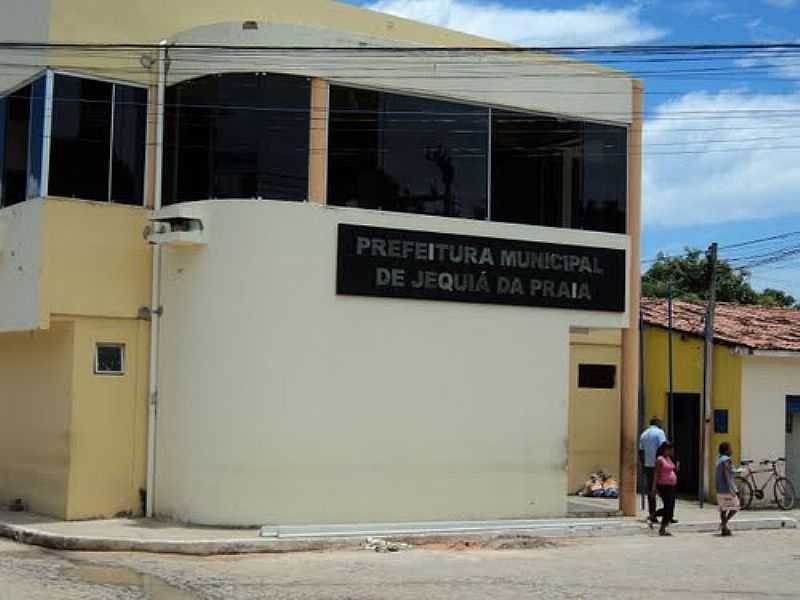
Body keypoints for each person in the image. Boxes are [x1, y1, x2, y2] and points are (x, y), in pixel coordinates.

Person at [640, 417, 667, 524]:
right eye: (660, 422)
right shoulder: (660, 432)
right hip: (659, 465)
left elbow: (641, 451)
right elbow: (663, 447)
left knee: (651, 491)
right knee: (666, 491)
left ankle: (652, 514)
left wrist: (643, 465)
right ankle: (667, 514)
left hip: (648, 466)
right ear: (657, 423)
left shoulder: (644, 434)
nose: (661, 424)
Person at [653, 441, 678, 536]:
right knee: (668, 507)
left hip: (671, 486)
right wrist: (654, 488)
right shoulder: (660, 459)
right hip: (663, 486)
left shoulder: (669, 458)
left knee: (670, 507)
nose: (672, 451)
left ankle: (663, 526)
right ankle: (656, 518)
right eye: (670, 449)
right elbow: (656, 474)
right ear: (666, 449)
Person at [716, 442, 739, 537]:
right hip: (727, 488)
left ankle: (724, 529)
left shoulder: (719, 459)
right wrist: (732, 488)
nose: (732, 450)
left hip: (720, 488)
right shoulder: (726, 460)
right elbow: (727, 474)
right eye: (730, 448)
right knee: (736, 507)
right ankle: (724, 524)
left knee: (723, 510)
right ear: (726, 450)